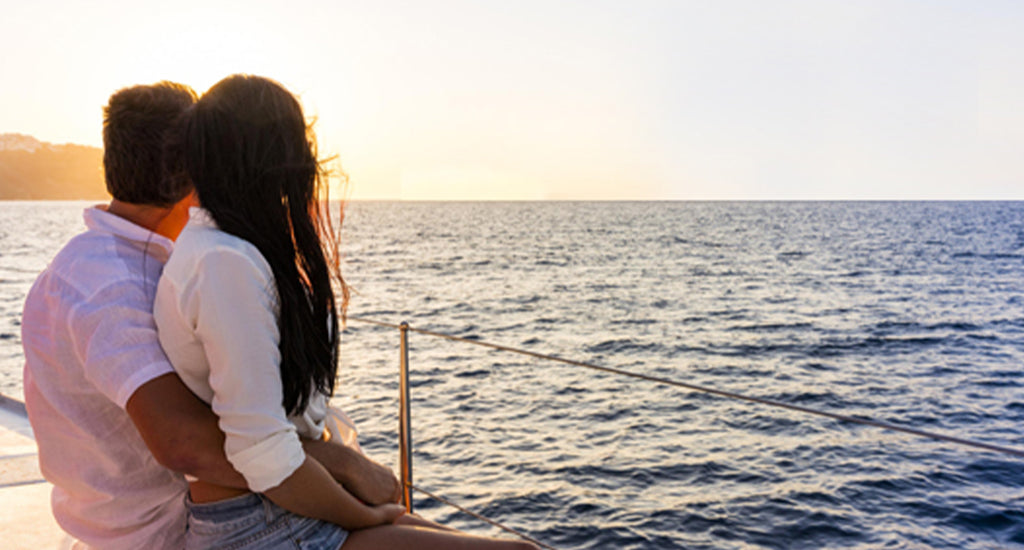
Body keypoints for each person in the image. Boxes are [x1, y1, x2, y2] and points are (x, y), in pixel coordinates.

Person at [155, 73, 539, 550]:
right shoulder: (223, 265)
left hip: (274, 510)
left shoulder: (222, 251)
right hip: (259, 526)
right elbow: (261, 453)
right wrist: (364, 515)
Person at [22, 81, 400, 549]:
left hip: (211, 515)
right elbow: (185, 445)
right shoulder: (110, 287)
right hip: (169, 536)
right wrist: (342, 466)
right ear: (194, 167)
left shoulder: (129, 261)